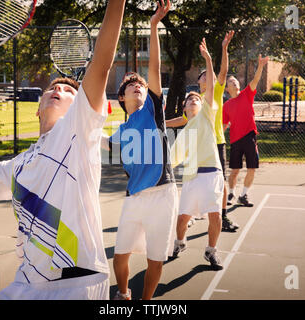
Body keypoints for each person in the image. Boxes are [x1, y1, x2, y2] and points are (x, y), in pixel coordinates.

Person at [0, 0, 126, 300]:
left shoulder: (77, 131)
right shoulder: (19, 165)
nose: (59, 90)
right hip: (27, 283)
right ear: (38, 109)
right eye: (53, 88)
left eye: (70, 91)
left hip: (76, 282)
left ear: (80, 106)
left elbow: (103, 63)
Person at [101, 0, 177, 300]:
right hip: (134, 199)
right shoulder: (121, 131)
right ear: (122, 97)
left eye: (141, 85)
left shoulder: (153, 112)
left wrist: (154, 26)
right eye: (131, 85)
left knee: (155, 260)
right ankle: (123, 294)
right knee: (120, 256)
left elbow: (154, 67)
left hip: (163, 195)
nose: (138, 86)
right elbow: (99, 143)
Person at [166, 31, 239, 232]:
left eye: (210, 73)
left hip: (215, 140)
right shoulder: (195, 100)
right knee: (190, 177)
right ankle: (188, 213)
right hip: (196, 142)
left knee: (220, 181)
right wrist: (164, 123)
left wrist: (224, 48)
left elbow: (223, 71)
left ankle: (222, 216)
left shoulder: (213, 93)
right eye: (205, 74)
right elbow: (183, 119)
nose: (209, 75)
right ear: (199, 81)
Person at [170, 38, 223, 270]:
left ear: (202, 105)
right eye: (189, 99)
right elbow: (170, 162)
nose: (194, 99)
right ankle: (180, 243)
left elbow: (210, 86)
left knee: (215, 215)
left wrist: (209, 59)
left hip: (212, 173)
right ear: (184, 109)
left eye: (196, 98)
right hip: (191, 178)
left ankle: (211, 251)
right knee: (182, 220)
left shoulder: (207, 116)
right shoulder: (182, 134)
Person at [223, 54, 269, 207]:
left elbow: (255, 80)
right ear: (227, 88)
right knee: (235, 170)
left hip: (249, 137)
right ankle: (231, 194)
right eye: (231, 81)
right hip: (235, 140)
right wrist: (217, 140)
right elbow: (223, 126)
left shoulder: (246, 95)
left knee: (252, 168)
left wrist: (261, 66)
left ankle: (243, 195)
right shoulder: (227, 105)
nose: (235, 82)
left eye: (235, 80)